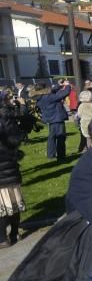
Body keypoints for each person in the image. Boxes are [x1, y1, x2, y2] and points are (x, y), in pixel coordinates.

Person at [0, 103, 35, 247]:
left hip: (4, 170)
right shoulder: (8, 123)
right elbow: (24, 128)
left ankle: (2, 238)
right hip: (11, 169)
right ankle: (14, 233)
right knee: (13, 204)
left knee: (3, 207)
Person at [36, 80, 72, 160]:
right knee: (60, 137)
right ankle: (61, 156)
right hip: (57, 118)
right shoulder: (48, 97)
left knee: (52, 137)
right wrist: (68, 85)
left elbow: (51, 91)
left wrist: (59, 85)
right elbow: (64, 94)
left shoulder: (40, 96)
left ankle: (51, 154)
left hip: (50, 118)